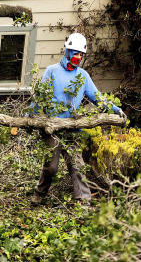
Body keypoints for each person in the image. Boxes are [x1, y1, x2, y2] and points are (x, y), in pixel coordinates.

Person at [31, 32, 124, 206]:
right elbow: (39, 97)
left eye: (81, 54)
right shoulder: (52, 71)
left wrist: (116, 109)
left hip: (73, 127)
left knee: (77, 166)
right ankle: (39, 193)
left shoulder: (83, 76)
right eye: (75, 53)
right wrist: (31, 117)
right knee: (51, 167)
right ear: (67, 52)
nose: (78, 57)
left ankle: (83, 202)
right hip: (53, 128)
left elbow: (98, 98)